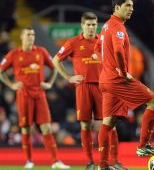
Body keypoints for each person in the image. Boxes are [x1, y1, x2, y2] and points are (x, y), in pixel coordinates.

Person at [96, 0, 154, 170]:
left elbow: (97, 49)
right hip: (117, 79)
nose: (131, 9)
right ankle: (143, 145)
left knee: (108, 122)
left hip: (105, 79)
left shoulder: (105, 27)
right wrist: (123, 71)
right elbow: (118, 50)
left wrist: (108, 66)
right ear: (117, 7)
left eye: (132, 6)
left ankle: (103, 165)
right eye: (127, 6)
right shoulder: (118, 27)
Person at [52, 12, 126, 170]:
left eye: (94, 24)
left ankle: (115, 161)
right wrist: (68, 77)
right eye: (88, 24)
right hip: (83, 87)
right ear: (82, 25)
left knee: (110, 124)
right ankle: (90, 162)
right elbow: (56, 59)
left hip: (102, 87)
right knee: (85, 125)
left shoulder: (103, 41)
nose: (91, 27)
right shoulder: (73, 43)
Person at [0, 27, 70, 169]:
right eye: (28, 34)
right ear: (21, 37)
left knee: (47, 128)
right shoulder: (14, 54)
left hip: (39, 94)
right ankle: (29, 160)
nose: (31, 37)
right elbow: (1, 71)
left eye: (33, 34)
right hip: (23, 95)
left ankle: (55, 161)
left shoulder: (41, 51)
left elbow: (54, 67)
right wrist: (11, 85)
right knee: (26, 128)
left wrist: (49, 83)